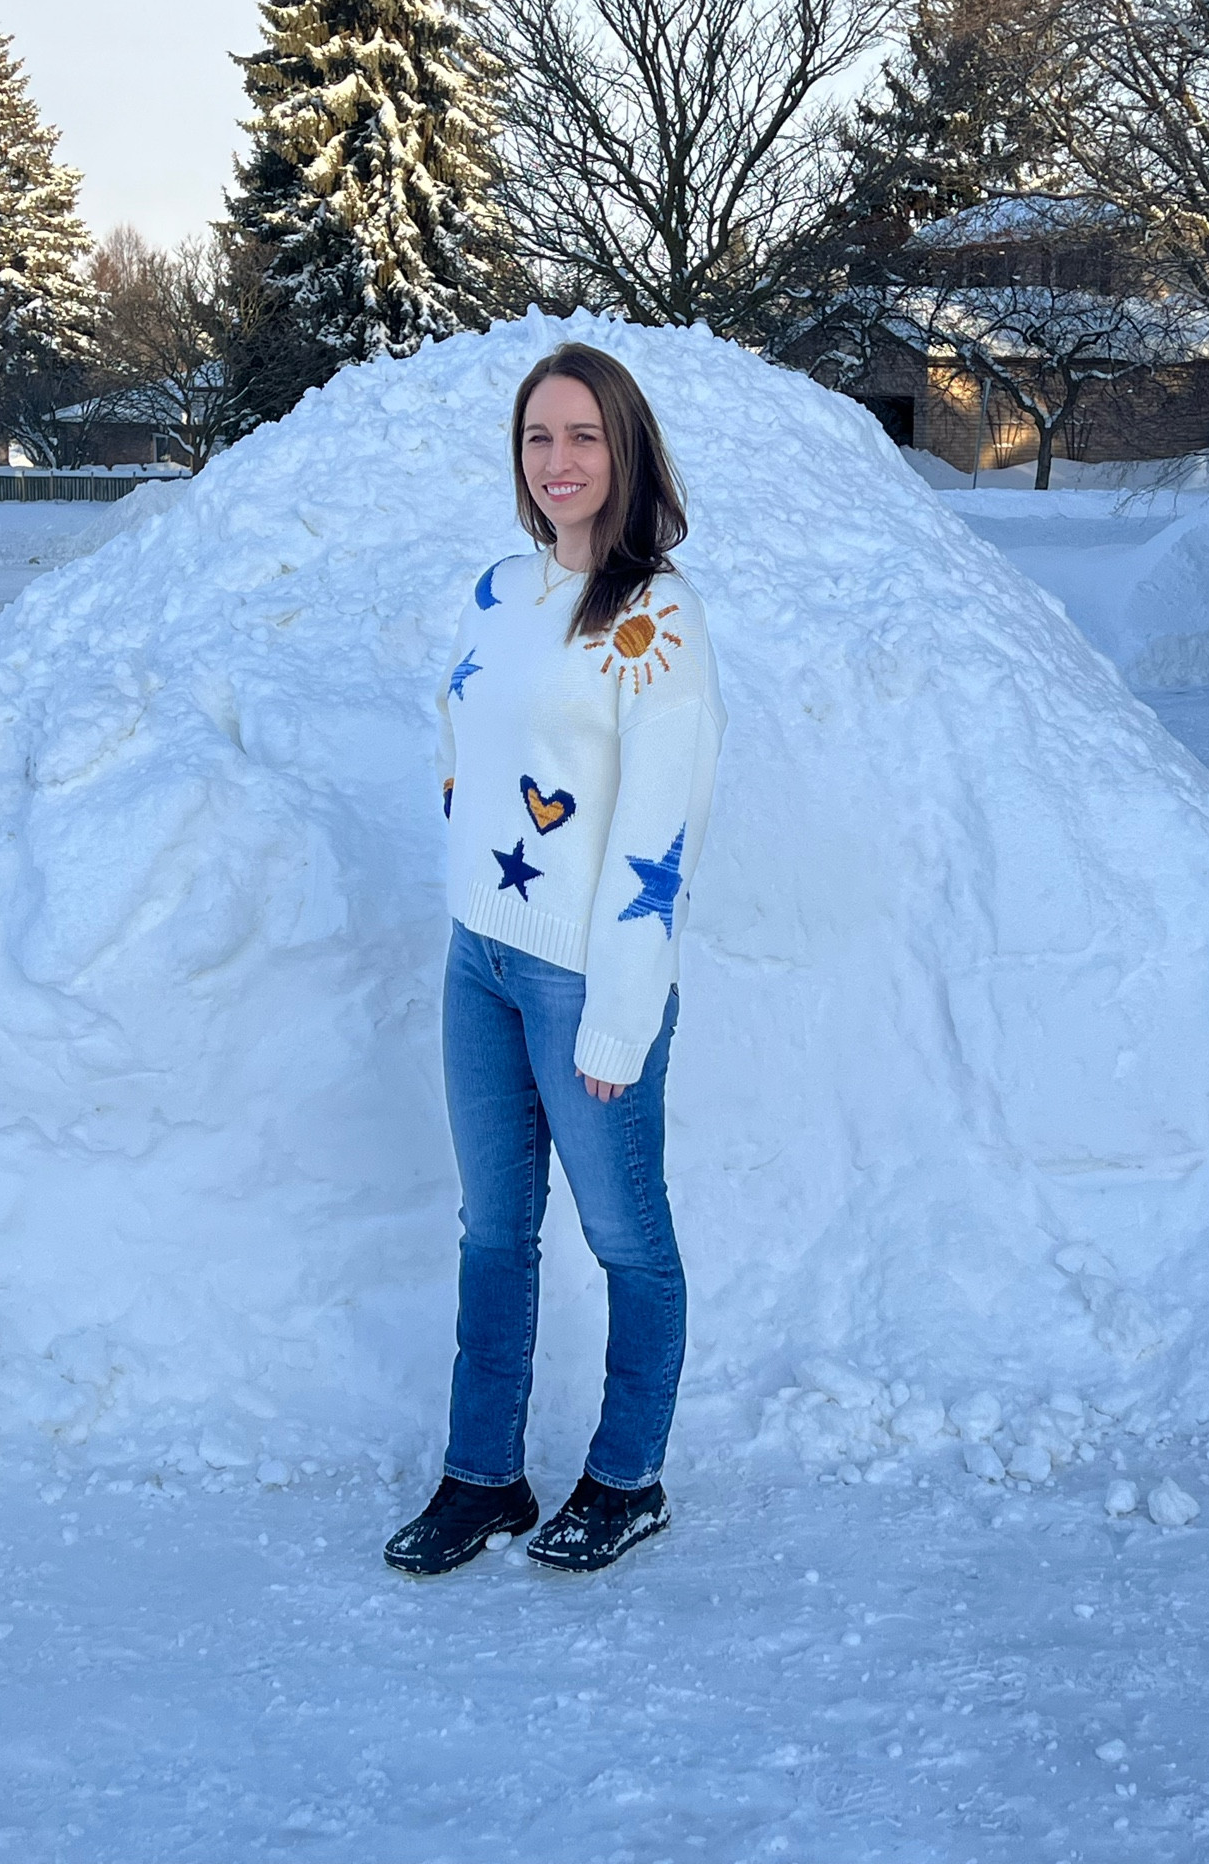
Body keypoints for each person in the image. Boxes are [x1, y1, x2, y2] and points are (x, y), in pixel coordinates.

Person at [384, 343, 726, 1577]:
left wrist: (620, 1017)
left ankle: (628, 1475)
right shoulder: (499, 589)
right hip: (479, 958)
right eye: (539, 437)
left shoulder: (658, 616)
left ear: (623, 450)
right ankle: (483, 1477)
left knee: (628, 1239)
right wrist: (473, 863)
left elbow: (658, 828)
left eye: (583, 435)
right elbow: (459, 729)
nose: (559, 460)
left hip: (587, 976)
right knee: (493, 1230)